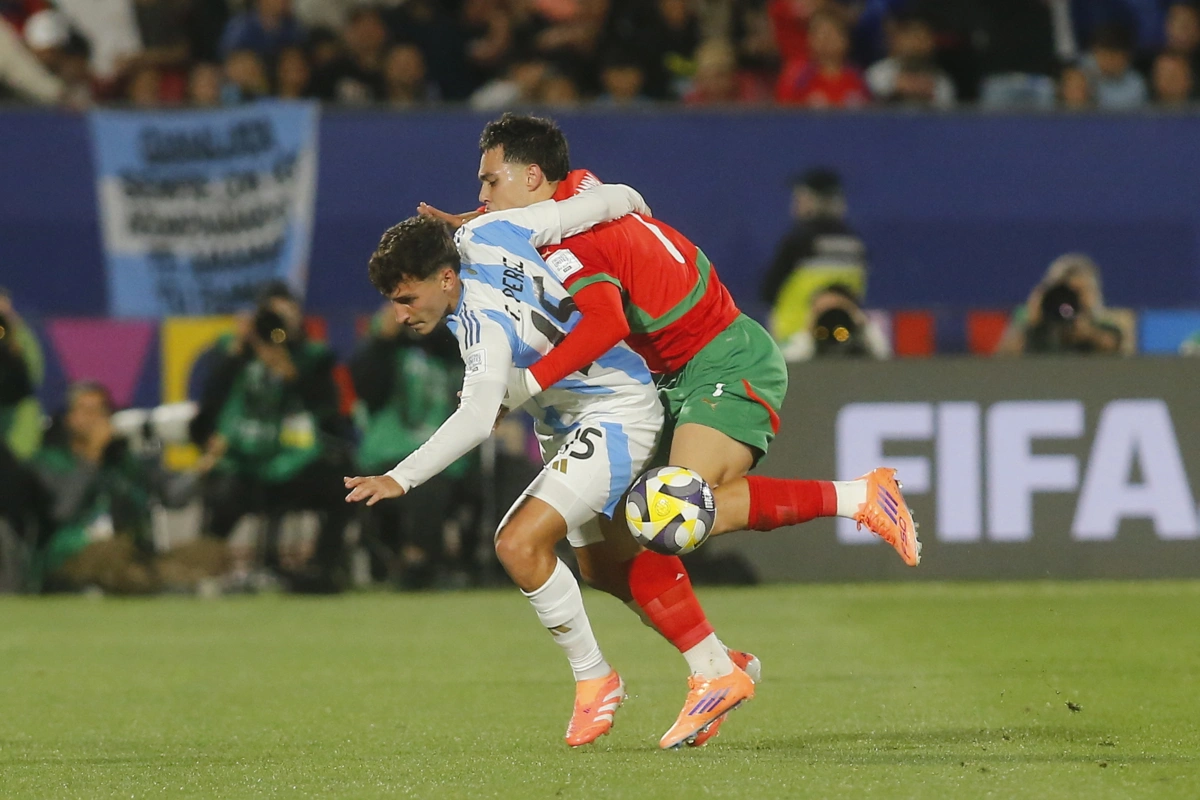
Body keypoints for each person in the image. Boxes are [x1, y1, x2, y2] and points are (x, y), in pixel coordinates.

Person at [422, 112, 919, 747]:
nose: (482, 196)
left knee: (669, 505)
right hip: (670, 377)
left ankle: (854, 504)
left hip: (722, 356)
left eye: (491, 182)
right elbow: (622, 200)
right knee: (603, 562)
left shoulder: (572, 244)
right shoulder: (579, 195)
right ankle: (719, 662)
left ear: (534, 177)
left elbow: (602, 326)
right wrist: (486, 225)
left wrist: (522, 387)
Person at [346, 186, 759, 750]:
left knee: (518, 545)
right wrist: (631, 199)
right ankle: (716, 663)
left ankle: (597, 680)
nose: (399, 314)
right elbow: (581, 209)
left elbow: (475, 417)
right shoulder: (487, 232)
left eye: (405, 298)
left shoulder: (480, 329)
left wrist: (400, 477)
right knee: (605, 566)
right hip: (570, 422)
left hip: (614, 411)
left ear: (444, 279)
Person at [188, 282, 352, 592]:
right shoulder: (236, 357)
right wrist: (239, 353)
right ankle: (204, 571)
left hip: (294, 467)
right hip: (244, 468)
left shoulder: (314, 358)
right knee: (221, 492)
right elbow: (206, 418)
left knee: (341, 486)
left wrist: (292, 374)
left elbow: (331, 416)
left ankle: (320, 570)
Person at [31, 382, 229, 594]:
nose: (96, 419)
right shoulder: (49, 462)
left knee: (211, 551)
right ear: (70, 419)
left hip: (135, 553)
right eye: (87, 411)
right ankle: (181, 585)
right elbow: (63, 511)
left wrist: (201, 470)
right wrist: (92, 457)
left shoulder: (125, 460)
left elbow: (173, 498)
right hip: (76, 554)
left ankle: (170, 582)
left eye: (101, 411)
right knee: (113, 553)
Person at [349, 305, 468, 588]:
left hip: (447, 456)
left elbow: (459, 356)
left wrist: (435, 325)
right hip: (388, 455)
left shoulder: (447, 353)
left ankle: (481, 563)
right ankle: (415, 564)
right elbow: (366, 387)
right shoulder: (384, 354)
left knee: (444, 480)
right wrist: (383, 339)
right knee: (424, 485)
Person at [761, 167, 868, 342]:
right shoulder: (855, 244)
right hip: (843, 338)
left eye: (801, 197)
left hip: (797, 339)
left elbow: (768, 291)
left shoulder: (798, 242)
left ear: (816, 201)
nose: (796, 203)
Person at [994, 253, 1124, 356]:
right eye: (1066, 292)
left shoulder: (1106, 329)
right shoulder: (1032, 329)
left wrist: (1091, 334)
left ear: (1094, 294)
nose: (1072, 300)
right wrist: (1032, 322)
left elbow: (1115, 348)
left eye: (1079, 292)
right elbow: (1003, 360)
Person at [779, 283, 891, 361]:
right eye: (820, 311)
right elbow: (789, 366)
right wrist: (808, 334)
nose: (830, 319)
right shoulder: (799, 343)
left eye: (836, 310)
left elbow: (883, 360)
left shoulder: (866, 335)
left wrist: (863, 327)